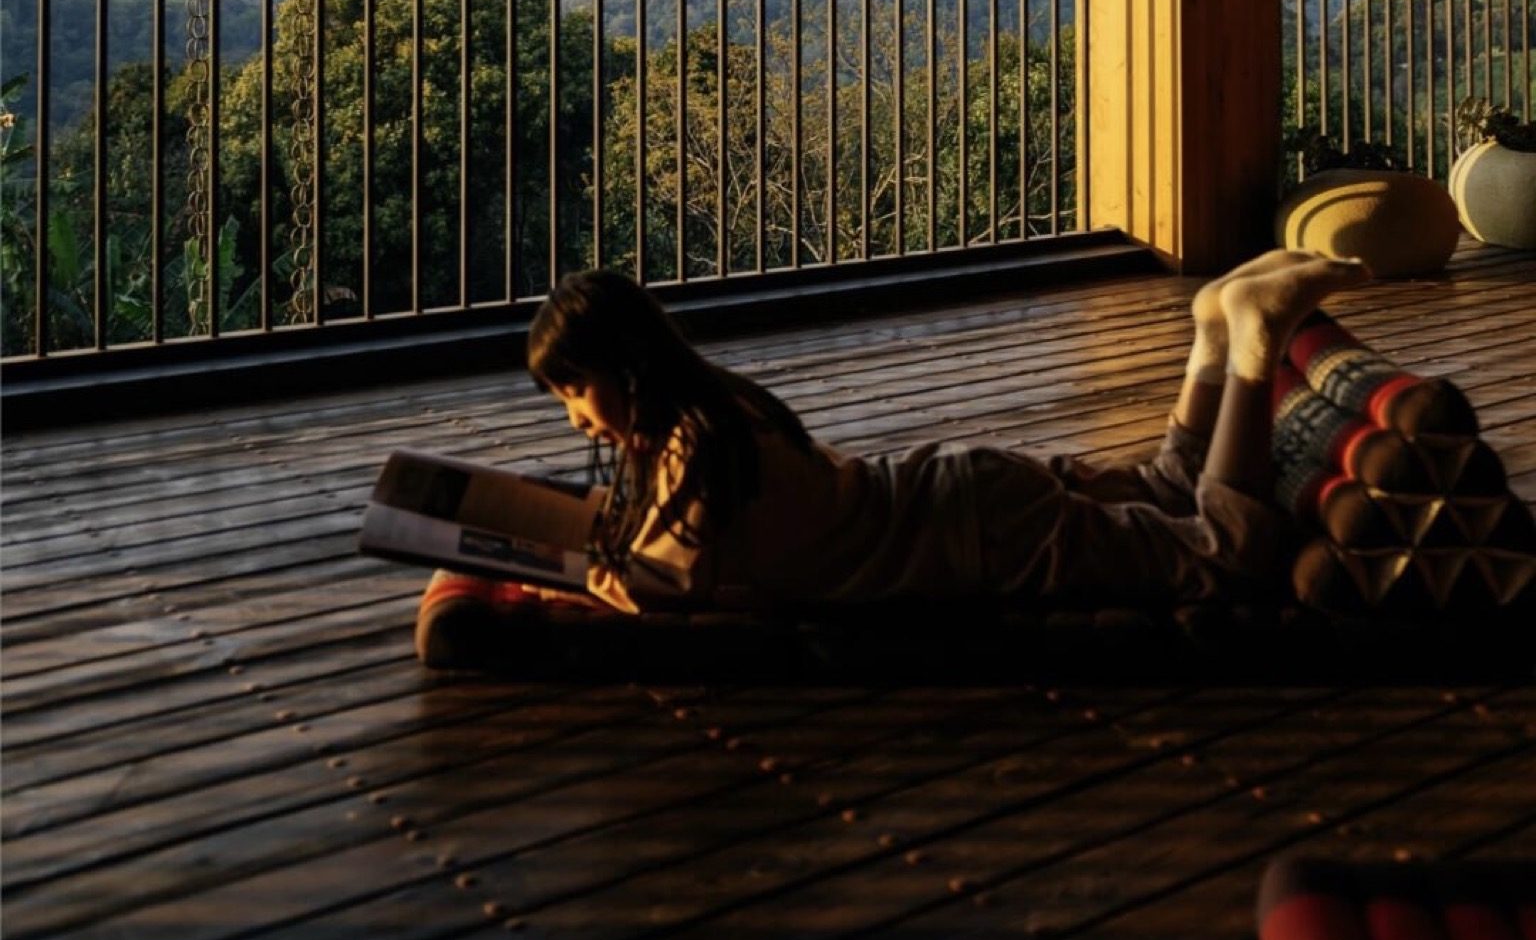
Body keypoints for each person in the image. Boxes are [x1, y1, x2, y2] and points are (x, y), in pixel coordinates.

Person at [415, 249, 1367, 659]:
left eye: (576, 391)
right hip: (959, 490)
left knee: (1226, 554)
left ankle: (1248, 347)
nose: (575, 417)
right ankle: (1209, 338)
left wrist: (569, 576)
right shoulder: (711, 411)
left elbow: (672, 588)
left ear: (621, 368)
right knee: (1168, 490)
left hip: (977, 534)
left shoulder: (695, 451)